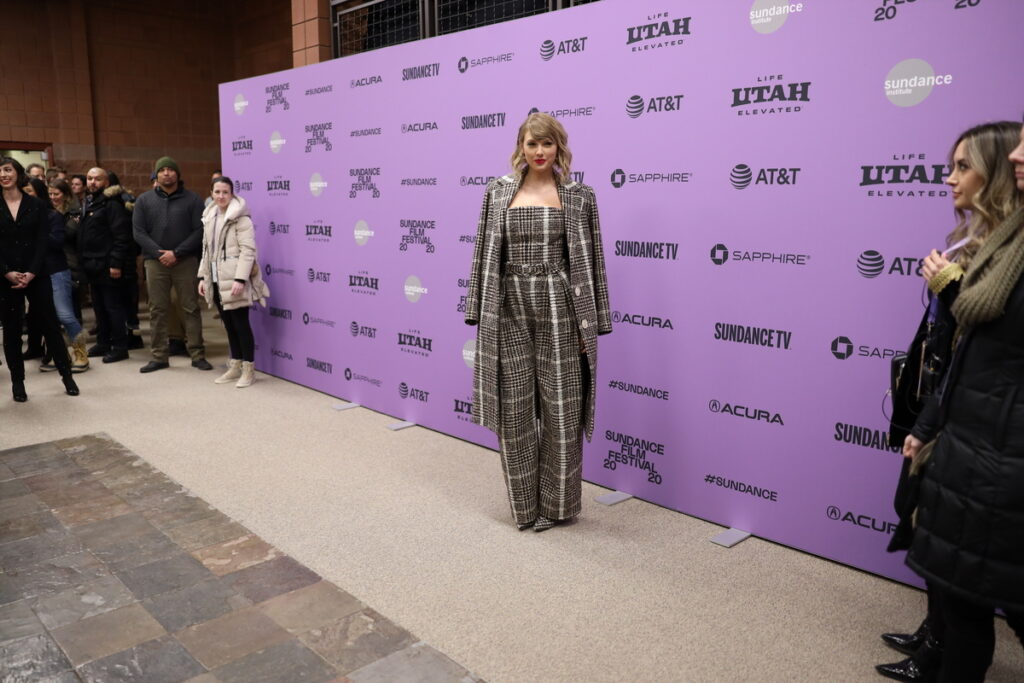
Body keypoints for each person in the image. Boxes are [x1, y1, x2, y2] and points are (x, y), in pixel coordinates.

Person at [879, 121, 1024, 682]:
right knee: (945, 558)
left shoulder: (1001, 252)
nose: (950, 177)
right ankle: (933, 639)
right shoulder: (986, 243)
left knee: (974, 581)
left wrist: (951, 288)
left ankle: (938, 644)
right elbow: (967, 350)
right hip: (957, 419)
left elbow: (989, 340)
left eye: (964, 165)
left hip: (991, 443)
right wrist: (930, 417)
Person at [465, 112, 612, 532]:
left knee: (562, 408)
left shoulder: (580, 196)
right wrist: (477, 310)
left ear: (558, 147)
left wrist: (594, 324)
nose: (540, 152)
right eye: (532, 144)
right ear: (521, 148)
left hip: (560, 308)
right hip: (509, 307)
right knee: (513, 411)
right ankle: (524, 508)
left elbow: (593, 263)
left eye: (547, 144)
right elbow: (482, 254)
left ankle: (558, 505)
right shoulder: (497, 192)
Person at [0, 157, 79, 400]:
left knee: (50, 326)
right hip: (6, 275)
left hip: (38, 273)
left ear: (18, 173)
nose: (3, 175)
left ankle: (67, 375)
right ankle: (18, 383)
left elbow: (43, 240)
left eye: (7, 170)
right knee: (12, 331)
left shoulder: (36, 204)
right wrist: (7, 272)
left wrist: (32, 272)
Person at [132, 156, 210, 372]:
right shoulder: (144, 200)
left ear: (178, 174)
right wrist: (160, 254)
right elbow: (138, 232)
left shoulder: (193, 199)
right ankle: (159, 356)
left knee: (190, 307)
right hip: (155, 263)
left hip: (185, 261)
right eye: (162, 170)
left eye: (170, 170)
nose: (166, 173)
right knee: (157, 309)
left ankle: (197, 353)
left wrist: (177, 252)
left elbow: (199, 231)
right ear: (156, 175)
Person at [197, 177, 268, 388]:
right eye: (217, 192)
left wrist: (240, 279)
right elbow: (206, 250)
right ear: (211, 193)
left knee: (241, 325)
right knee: (228, 325)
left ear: (232, 194)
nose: (221, 196)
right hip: (216, 278)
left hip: (234, 278)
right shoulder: (209, 216)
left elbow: (248, 252)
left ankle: (248, 369)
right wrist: (203, 277)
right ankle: (235, 365)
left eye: (225, 192)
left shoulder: (241, 219)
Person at [78, 167, 132, 363]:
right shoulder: (90, 202)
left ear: (106, 182)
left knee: (113, 307)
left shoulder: (112, 204)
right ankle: (103, 342)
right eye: (90, 178)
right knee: (99, 308)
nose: (92, 182)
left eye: (97, 179)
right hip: (92, 264)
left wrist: (116, 263)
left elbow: (121, 236)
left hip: (108, 264)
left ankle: (119, 347)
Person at [48, 179, 89, 372]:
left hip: (68, 266)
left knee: (67, 313)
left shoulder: (75, 213)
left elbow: (68, 239)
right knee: (52, 316)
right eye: (50, 194)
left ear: (65, 194)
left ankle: (80, 351)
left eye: (56, 194)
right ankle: (58, 353)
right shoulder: (46, 213)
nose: (53, 197)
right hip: (47, 267)